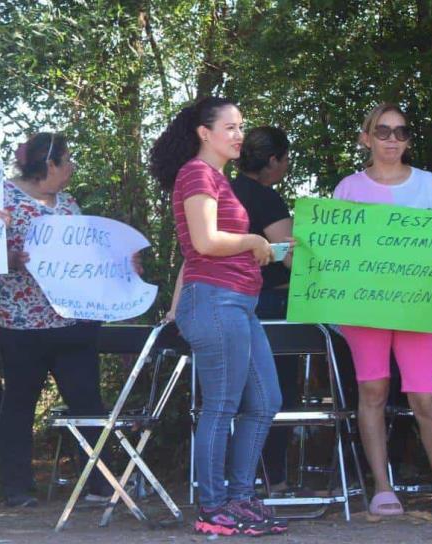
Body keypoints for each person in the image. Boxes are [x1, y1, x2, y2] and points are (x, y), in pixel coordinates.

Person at [333, 103, 432, 520]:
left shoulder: (430, 185)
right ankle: (382, 487)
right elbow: (335, 247)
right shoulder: (348, 188)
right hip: (364, 310)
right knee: (373, 392)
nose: (392, 139)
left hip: (418, 306)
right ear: (366, 137)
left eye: (400, 132)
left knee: (424, 395)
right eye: (383, 131)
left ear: (408, 139)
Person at [152, 97, 285, 537]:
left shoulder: (216, 179)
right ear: (204, 133)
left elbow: (192, 253)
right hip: (216, 301)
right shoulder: (197, 173)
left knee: (265, 401)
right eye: (230, 127)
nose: (239, 134)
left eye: (241, 127)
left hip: (237, 302)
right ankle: (213, 507)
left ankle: (241, 498)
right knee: (222, 405)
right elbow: (205, 243)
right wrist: (252, 241)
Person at [0, 132, 113, 507]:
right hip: (19, 322)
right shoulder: (1, 199)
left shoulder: (69, 203)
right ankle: (18, 487)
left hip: (74, 321)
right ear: (49, 164)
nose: (72, 167)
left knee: (87, 399)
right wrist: (10, 259)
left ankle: (98, 483)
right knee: (20, 400)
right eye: (68, 160)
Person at [231, 126, 296, 493]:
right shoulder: (267, 200)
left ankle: (241, 478)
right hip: (272, 303)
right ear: (272, 160)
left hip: (233, 300)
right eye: (285, 159)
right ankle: (276, 479)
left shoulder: (225, 193)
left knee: (238, 393)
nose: (286, 166)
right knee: (277, 391)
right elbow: (291, 259)